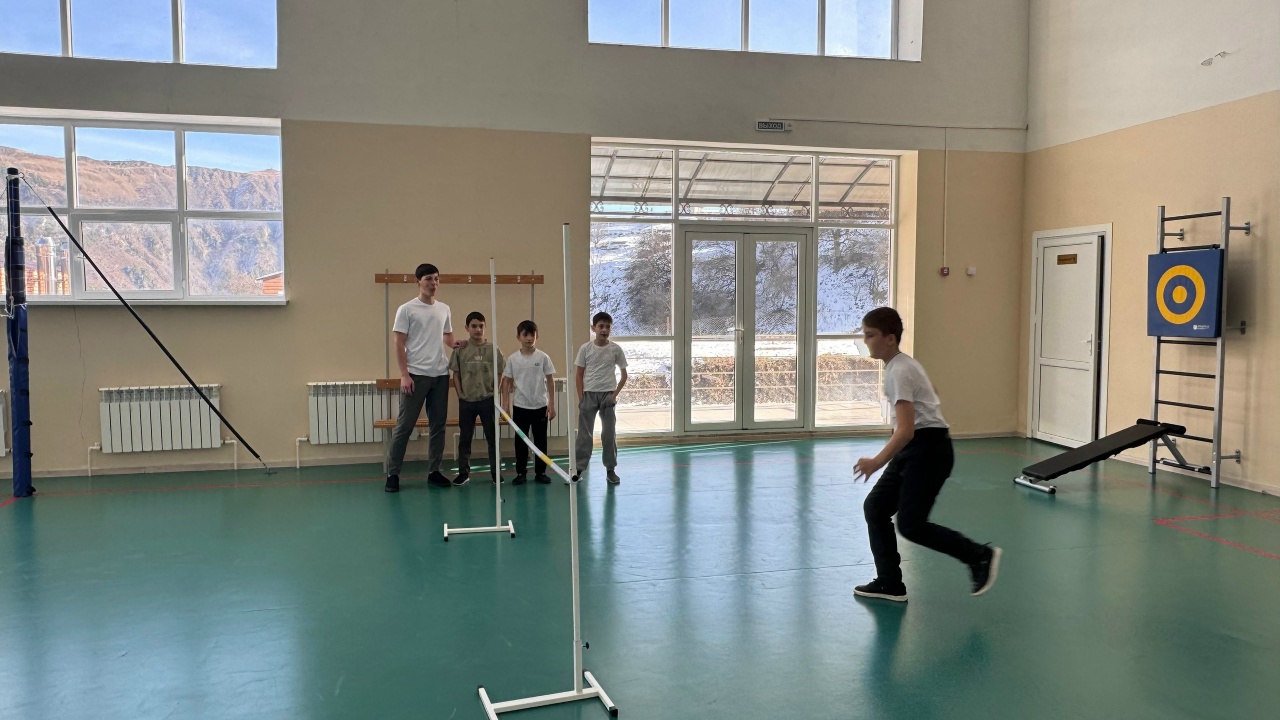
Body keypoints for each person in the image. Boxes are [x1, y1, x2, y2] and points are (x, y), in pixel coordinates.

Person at [852, 306, 1001, 601]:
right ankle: (890, 583)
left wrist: (875, 462)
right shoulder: (902, 365)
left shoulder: (899, 370)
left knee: (911, 525)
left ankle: (979, 555)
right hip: (917, 449)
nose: (866, 341)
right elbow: (932, 392)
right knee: (876, 507)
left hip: (928, 451)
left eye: (870, 335)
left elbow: (906, 430)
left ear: (890, 338)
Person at [384, 263, 465, 492]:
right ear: (418, 281)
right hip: (416, 375)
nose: (433, 283)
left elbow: (446, 335)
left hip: (440, 374)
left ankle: (434, 471)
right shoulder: (406, 310)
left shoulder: (444, 309)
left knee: (438, 425)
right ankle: (393, 474)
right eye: (428, 278)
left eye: (436, 279)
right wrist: (404, 375)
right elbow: (399, 343)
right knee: (405, 426)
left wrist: (455, 343)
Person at [449, 311, 505, 485]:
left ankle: (496, 473)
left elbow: (500, 372)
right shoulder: (460, 350)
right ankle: (463, 473)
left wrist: (495, 393)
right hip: (467, 401)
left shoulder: (493, 350)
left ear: (485, 327)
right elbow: (455, 374)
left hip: (487, 400)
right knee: (465, 438)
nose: (478, 329)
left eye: (481, 326)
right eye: (474, 326)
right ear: (467, 328)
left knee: (492, 437)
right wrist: (461, 395)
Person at [573, 312, 627, 484]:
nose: (604, 330)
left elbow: (624, 376)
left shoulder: (615, 349)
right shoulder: (585, 349)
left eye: (607, 327)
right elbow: (579, 374)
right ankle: (578, 470)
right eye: (601, 326)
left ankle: (610, 470)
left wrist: (613, 396)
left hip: (607, 396)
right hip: (588, 395)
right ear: (593, 328)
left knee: (609, 434)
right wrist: (581, 397)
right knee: (584, 435)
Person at [500, 320, 557, 485]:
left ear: (537, 336)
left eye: (532, 335)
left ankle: (541, 472)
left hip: (540, 406)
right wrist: (505, 405)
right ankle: (521, 473)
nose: (529, 338)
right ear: (518, 337)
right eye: (525, 334)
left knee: (540, 442)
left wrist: (551, 405)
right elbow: (506, 382)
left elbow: (550, 381)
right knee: (521, 442)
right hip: (520, 407)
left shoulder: (543, 357)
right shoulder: (513, 359)